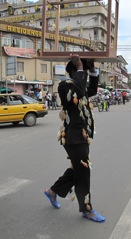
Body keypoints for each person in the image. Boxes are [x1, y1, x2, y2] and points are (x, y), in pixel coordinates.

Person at [44, 54, 105, 223]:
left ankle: (53, 191)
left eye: (84, 71)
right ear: (74, 71)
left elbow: (90, 90)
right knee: (83, 173)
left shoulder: (80, 86)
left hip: (81, 137)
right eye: (81, 71)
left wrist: (92, 71)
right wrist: (79, 67)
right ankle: (87, 210)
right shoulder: (64, 86)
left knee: (78, 169)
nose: (83, 73)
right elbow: (78, 91)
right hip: (73, 137)